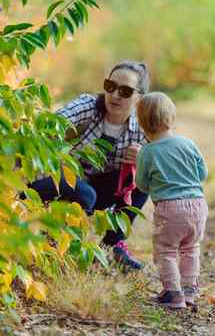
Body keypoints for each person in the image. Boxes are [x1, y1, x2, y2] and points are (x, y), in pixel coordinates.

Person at [28, 60, 150, 269]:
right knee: (86, 194)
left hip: (95, 190)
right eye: (110, 86)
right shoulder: (89, 106)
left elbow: (164, 159)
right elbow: (50, 124)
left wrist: (145, 156)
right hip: (57, 182)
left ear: (139, 98)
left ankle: (113, 244)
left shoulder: (142, 126)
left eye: (126, 91)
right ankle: (57, 241)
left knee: (144, 178)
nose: (115, 95)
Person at [136, 92, 208, 308]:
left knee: (166, 250)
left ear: (142, 123)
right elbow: (202, 173)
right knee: (190, 248)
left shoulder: (147, 152)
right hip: (197, 205)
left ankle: (173, 293)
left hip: (170, 209)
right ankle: (189, 290)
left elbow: (142, 185)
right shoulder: (188, 143)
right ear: (171, 117)